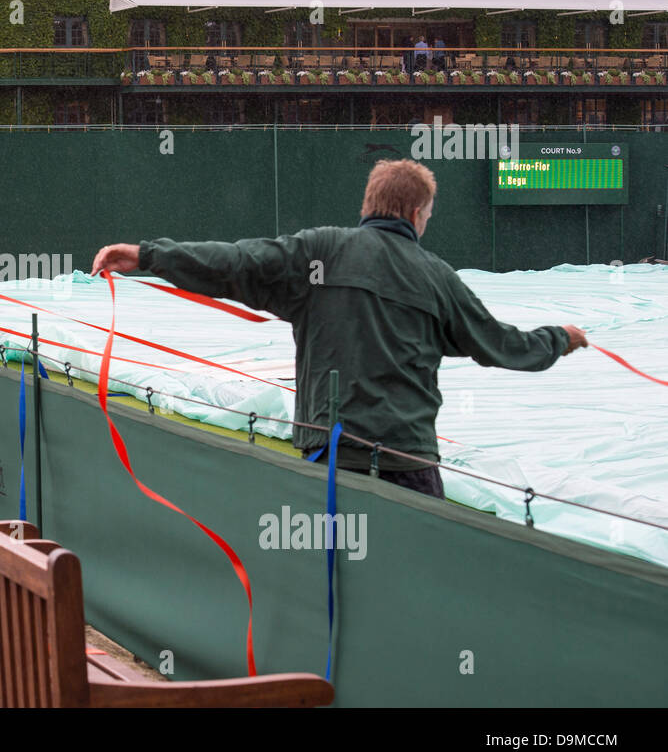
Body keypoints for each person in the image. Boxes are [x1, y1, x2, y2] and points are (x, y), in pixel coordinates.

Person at [91, 159, 589, 500]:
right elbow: (500, 345)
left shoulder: (321, 253)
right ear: (417, 214)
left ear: (367, 207)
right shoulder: (436, 276)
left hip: (329, 457)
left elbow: (237, 262)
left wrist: (149, 255)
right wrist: (559, 339)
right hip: (407, 461)